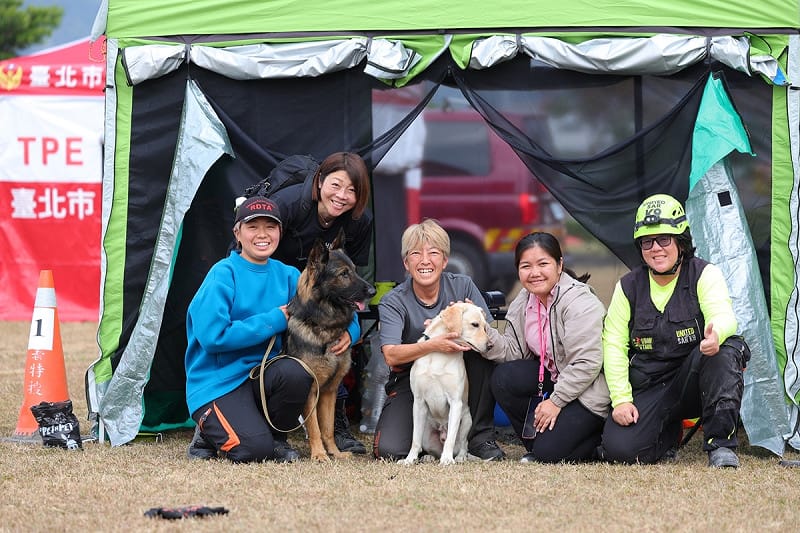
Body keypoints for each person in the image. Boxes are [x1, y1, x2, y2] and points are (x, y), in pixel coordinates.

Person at [184, 196, 361, 462]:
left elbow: (331, 300)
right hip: (220, 383)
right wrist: (274, 320)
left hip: (264, 376)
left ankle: (275, 438)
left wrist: (352, 332)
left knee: (298, 373)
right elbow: (212, 337)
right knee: (253, 451)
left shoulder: (288, 275)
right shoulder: (222, 274)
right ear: (237, 233)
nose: (262, 234)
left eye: (271, 227)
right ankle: (207, 433)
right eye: (253, 227)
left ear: (280, 232)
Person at [600, 194, 749, 468]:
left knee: (725, 351)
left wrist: (717, 335)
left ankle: (721, 446)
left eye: (664, 239)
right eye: (647, 241)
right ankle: (666, 436)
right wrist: (620, 400)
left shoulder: (705, 274)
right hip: (651, 385)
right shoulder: (627, 287)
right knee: (621, 451)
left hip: (695, 378)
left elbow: (724, 315)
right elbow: (613, 344)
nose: (656, 248)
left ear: (681, 242)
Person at [373, 219, 506, 461]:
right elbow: (391, 355)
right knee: (390, 451)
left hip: (459, 371)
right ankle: (425, 444)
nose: (425, 261)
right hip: (410, 380)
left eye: (433, 253)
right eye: (416, 254)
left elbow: (486, 335)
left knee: (484, 356)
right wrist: (433, 342)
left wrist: (464, 326)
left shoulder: (463, 286)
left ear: (445, 261)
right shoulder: (394, 300)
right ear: (406, 262)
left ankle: (479, 437)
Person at [269, 151, 373, 454]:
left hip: (324, 302)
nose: (342, 196)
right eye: (336, 185)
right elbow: (254, 253)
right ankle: (278, 426)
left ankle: (335, 429)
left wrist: (350, 332)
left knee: (332, 361)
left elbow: (353, 284)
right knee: (294, 367)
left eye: (352, 190)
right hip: (278, 288)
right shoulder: (287, 205)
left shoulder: (358, 223)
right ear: (319, 181)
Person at [488, 232, 610, 463]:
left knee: (549, 452)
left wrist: (555, 401)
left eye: (543, 264)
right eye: (526, 266)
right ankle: (545, 443)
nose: (534, 273)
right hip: (555, 381)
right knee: (504, 377)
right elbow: (513, 353)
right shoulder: (525, 300)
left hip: (589, 389)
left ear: (559, 264)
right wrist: (478, 332)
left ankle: (602, 440)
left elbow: (587, 364)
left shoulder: (579, 302)